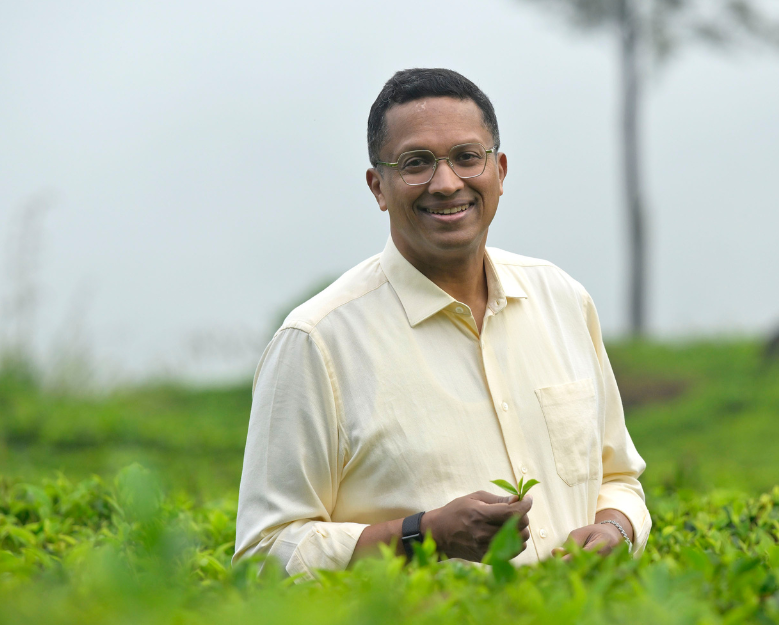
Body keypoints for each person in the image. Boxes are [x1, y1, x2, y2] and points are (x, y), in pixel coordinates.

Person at [233, 68, 649, 576]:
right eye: (416, 163)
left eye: (467, 158)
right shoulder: (317, 341)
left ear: (499, 170)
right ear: (378, 186)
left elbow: (619, 478)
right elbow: (263, 553)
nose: (446, 183)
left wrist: (614, 530)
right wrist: (421, 537)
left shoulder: (562, 299)